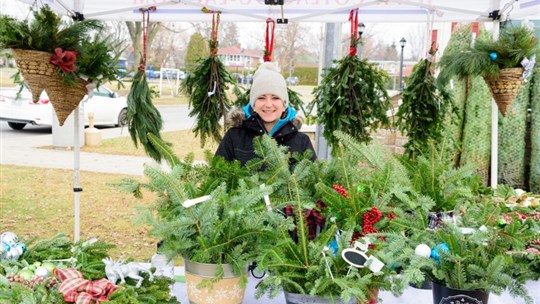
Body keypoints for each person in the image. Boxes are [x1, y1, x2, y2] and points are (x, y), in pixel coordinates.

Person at [215, 62, 316, 167]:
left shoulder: (301, 141)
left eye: (275, 98)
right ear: (253, 104)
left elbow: (313, 179)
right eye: (261, 98)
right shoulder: (234, 137)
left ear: (284, 104)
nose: (268, 104)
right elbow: (217, 174)